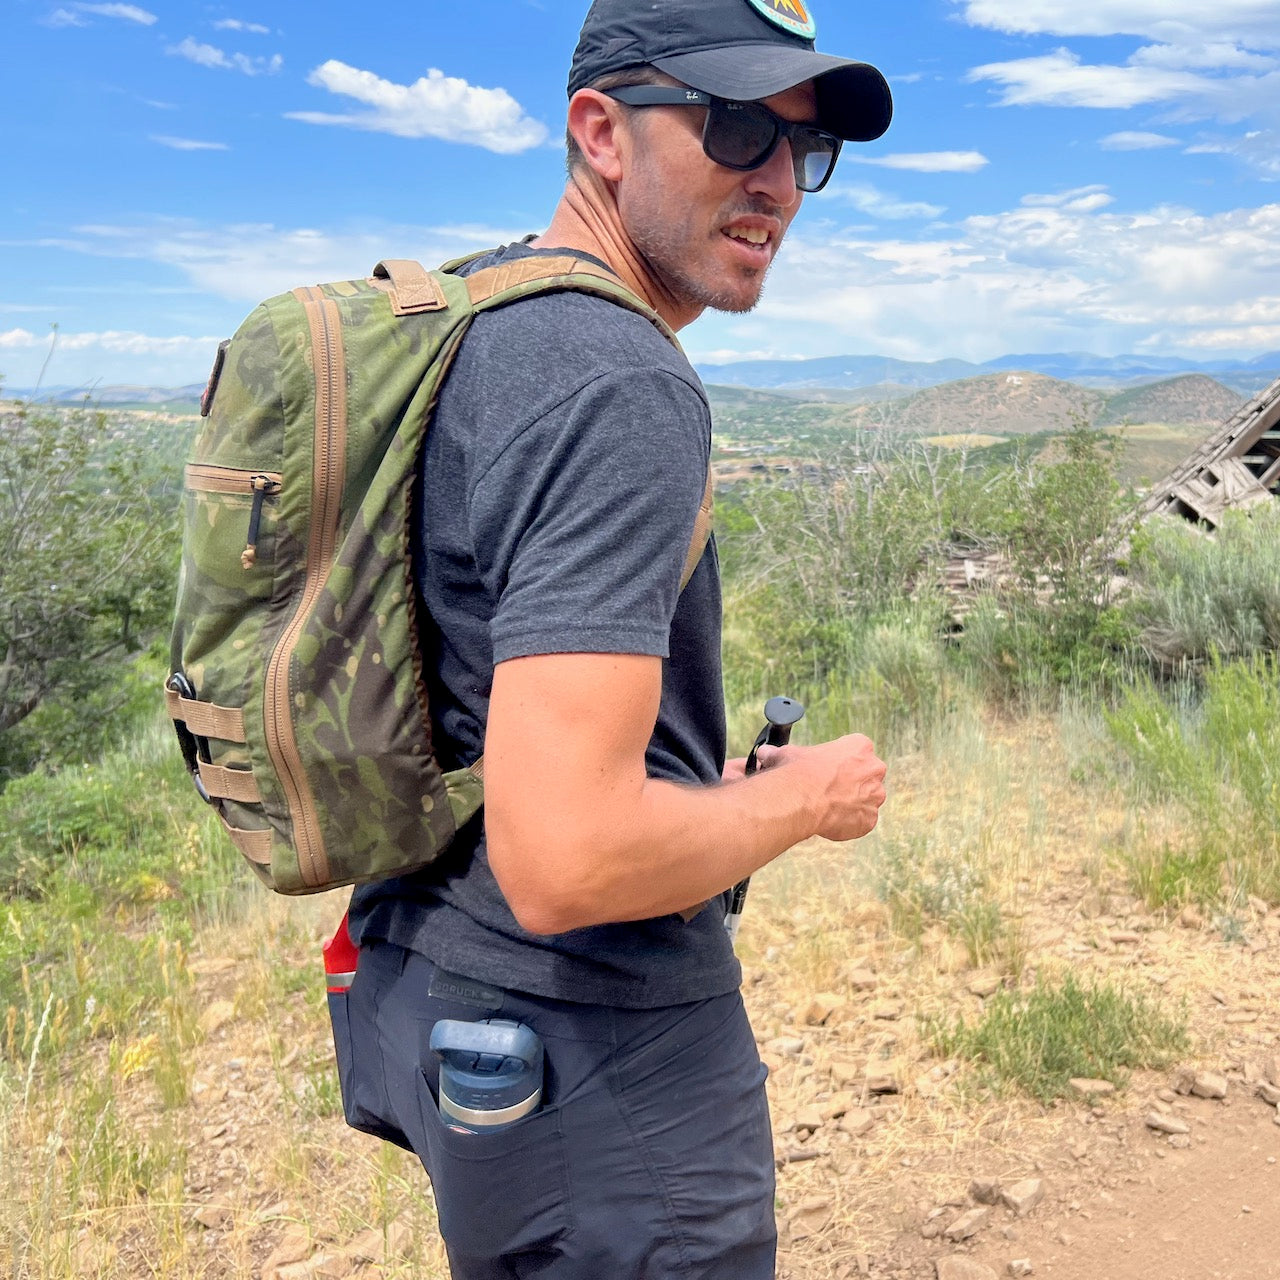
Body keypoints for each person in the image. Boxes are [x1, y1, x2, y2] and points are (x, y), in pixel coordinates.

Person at [342, 1, 892, 1275]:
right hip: (597, 1044)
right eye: (738, 122)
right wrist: (807, 797)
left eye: (804, 148)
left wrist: (702, 799)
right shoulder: (619, 379)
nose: (775, 178)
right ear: (600, 130)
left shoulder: (474, 317)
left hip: (437, 989)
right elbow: (569, 856)